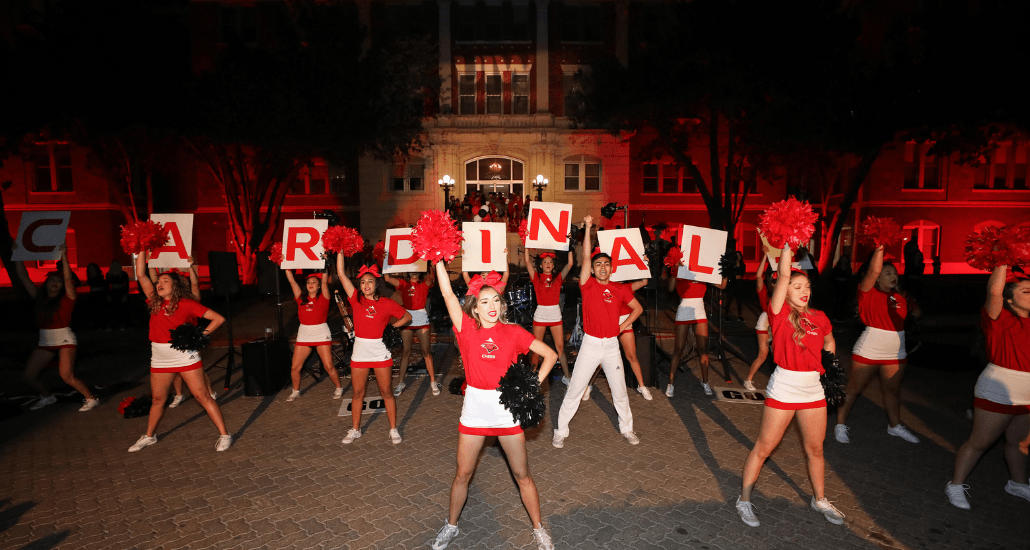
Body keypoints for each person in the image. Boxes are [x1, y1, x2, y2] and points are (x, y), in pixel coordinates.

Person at [429, 259, 558, 550]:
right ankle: (451, 526)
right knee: (462, 474)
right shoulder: (465, 328)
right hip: (475, 409)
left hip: (505, 411)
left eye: (496, 300)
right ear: (475, 308)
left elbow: (550, 355)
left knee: (522, 475)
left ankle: (539, 529)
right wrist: (437, 259)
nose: (491, 306)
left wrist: (532, 386)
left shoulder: (513, 332)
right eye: (484, 301)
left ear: (502, 305)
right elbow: (447, 293)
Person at [735, 245, 844, 528]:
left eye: (807, 286)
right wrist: (786, 246)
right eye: (797, 287)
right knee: (764, 447)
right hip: (784, 385)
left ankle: (819, 499)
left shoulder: (819, 317)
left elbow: (829, 339)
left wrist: (830, 365)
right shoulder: (779, 313)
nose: (804, 291)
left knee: (815, 449)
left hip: (813, 388)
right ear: (785, 291)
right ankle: (744, 499)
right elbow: (783, 275)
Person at [552, 215, 643, 449]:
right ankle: (560, 431)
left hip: (611, 346)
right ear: (592, 270)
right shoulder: (588, 285)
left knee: (619, 391)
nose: (603, 267)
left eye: (606, 264)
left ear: (612, 268)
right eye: (598, 264)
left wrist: (621, 327)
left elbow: (638, 309)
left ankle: (627, 429)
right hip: (590, 345)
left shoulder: (620, 289)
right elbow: (585, 256)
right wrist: (588, 228)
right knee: (575, 389)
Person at [128, 252, 231, 453]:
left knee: (202, 396)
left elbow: (218, 319)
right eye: (159, 282)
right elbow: (141, 274)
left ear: (175, 286)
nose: (159, 284)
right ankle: (149, 436)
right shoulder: (155, 301)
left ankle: (225, 434)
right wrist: (140, 248)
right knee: (158, 399)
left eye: (165, 281)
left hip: (184, 354)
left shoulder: (187, 304)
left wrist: (198, 336)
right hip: (160, 356)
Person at [945, 266, 1030, 509]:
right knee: (979, 442)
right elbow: (994, 292)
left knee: (1020, 443)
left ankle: (1017, 484)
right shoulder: (998, 319)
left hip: (1027, 392)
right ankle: (955, 485)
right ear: (1009, 299)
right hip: (998, 388)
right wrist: (1001, 260)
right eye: (1026, 291)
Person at [834, 246, 920, 444]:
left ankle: (894, 426)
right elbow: (872, 271)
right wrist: (880, 246)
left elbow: (914, 315)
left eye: (895, 273)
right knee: (854, 387)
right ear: (877, 278)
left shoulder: (901, 296)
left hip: (896, 350)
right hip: (870, 347)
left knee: (892, 390)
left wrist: (914, 310)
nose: (893, 276)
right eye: (887, 273)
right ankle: (840, 424)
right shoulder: (868, 292)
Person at [336, 254, 411, 445]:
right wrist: (340, 251)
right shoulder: (356, 300)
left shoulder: (386, 303)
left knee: (386, 392)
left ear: (376, 284)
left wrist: (392, 328)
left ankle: (393, 429)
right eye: (362, 282)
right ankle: (355, 429)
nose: (366, 285)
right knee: (357, 393)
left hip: (380, 351)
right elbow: (341, 274)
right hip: (360, 352)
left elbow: (407, 316)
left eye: (370, 281)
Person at [15, 245, 99, 412]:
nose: (55, 283)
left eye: (59, 282)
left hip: (64, 338)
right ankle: (47, 396)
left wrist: (64, 257)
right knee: (28, 376)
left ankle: (91, 398)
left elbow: (68, 279)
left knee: (66, 376)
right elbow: (24, 277)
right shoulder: (39, 298)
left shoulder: (68, 298)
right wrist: (17, 255)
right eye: (52, 280)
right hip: (45, 340)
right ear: (46, 284)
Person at [152, 257, 218, 409]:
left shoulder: (191, 300)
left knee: (198, 370)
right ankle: (179, 394)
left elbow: (195, 283)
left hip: (190, 339)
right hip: (174, 339)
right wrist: (153, 263)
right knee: (174, 370)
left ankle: (209, 392)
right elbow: (154, 280)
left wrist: (191, 266)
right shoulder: (168, 300)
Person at [283, 270, 345, 402]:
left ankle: (339, 388)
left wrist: (325, 266)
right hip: (304, 333)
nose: (311, 284)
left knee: (328, 366)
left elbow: (324, 281)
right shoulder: (301, 298)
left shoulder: (324, 297)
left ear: (319, 286)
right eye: (309, 282)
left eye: (314, 282)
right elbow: (292, 282)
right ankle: (296, 391)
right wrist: (287, 268)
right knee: (295, 367)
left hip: (321, 333)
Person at [665, 268, 726, 397]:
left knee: (703, 349)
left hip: (699, 310)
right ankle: (670, 383)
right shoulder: (682, 267)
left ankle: (705, 382)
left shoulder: (703, 268)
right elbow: (670, 288)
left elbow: (722, 285)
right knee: (678, 349)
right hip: (684, 309)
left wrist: (726, 269)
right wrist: (676, 271)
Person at [385, 269, 440, 397]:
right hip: (407, 318)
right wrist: (386, 263)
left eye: (416, 269)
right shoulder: (403, 284)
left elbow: (432, 276)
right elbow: (387, 278)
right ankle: (401, 382)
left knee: (426, 352)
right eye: (411, 269)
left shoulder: (424, 284)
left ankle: (433, 382)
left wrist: (431, 262)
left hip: (421, 319)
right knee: (406, 351)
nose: (414, 272)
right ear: (407, 271)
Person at [524, 248, 573, 383]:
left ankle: (567, 378)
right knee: (536, 349)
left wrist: (570, 248)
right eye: (545, 262)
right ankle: (532, 379)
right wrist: (526, 245)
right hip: (540, 314)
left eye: (550, 262)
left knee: (560, 348)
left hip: (555, 314)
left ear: (553, 265)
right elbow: (527, 261)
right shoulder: (536, 278)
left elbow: (570, 264)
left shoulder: (558, 278)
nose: (547, 264)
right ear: (541, 265)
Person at [618, 278, 653, 400]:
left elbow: (644, 282)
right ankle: (589, 385)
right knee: (601, 358)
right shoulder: (604, 286)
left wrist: (645, 267)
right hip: (609, 325)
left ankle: (641, 386)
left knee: (631, 356)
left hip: (626, 325)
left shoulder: (627, 287)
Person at [743, 252, 771, 391]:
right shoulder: (765, 292)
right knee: (763, 354)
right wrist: (765, 256)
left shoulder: (787, 292)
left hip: (780, 323)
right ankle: (748, 380)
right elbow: (759, 276)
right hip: (766, 323)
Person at [723, 251, 747, 321]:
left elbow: (741, 274)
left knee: (739, 300)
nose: (738, 257)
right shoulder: (731, 265)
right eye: (736, 255)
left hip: (739, 285)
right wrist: (734, 276)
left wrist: (736, 276)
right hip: (732, 284)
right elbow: (730, 274)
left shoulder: (743, 265)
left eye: (739, 255)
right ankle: (726, 315)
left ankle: (740, 315)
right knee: (729, 300)